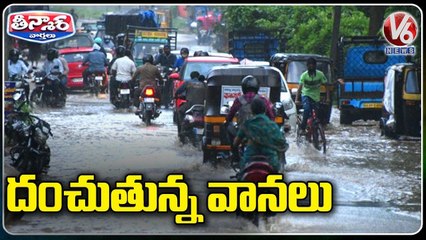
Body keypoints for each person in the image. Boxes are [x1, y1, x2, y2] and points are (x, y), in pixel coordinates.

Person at [233, 98, 288, 175]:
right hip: (271, 161)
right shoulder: (273, 125)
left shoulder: (247, 124)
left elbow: (235, 143)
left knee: (240, 178)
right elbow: (282, 144)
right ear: (265, 110)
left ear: (252, 110)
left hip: (249, 160)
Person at [294, 57, 330, 134]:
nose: (311, 67)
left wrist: (327, 98)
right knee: (306, 109)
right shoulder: (304, 75)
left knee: (318, 114)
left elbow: (327, 86)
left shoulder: (320, 74)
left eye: (312, 65)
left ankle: (316, 131)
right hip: (306, 95)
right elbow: (299, 88)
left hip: (316, 97)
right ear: (307, 66)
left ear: (315, 66)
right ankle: (303, 128)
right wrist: (296, 99)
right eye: (309, 65)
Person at [174, 71, 206, 140]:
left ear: (191, 77)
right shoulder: (204, 84)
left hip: (190, 105)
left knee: (180, 111)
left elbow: (178, 91)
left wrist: (176, 96)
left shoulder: (187, 83)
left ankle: (182, 130)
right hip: (202, 107)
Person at [154, 44, 177, 109]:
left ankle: (170, 100)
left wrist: (172, 68)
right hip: (163, 74)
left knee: (171, 88)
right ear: (163, 50)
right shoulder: (161, 56)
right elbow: (156, 62)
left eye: (168, 49)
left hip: (171, 74)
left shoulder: (173, 56)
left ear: (170, 50)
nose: (166, 50)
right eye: (165, 49)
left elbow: (175, 65)